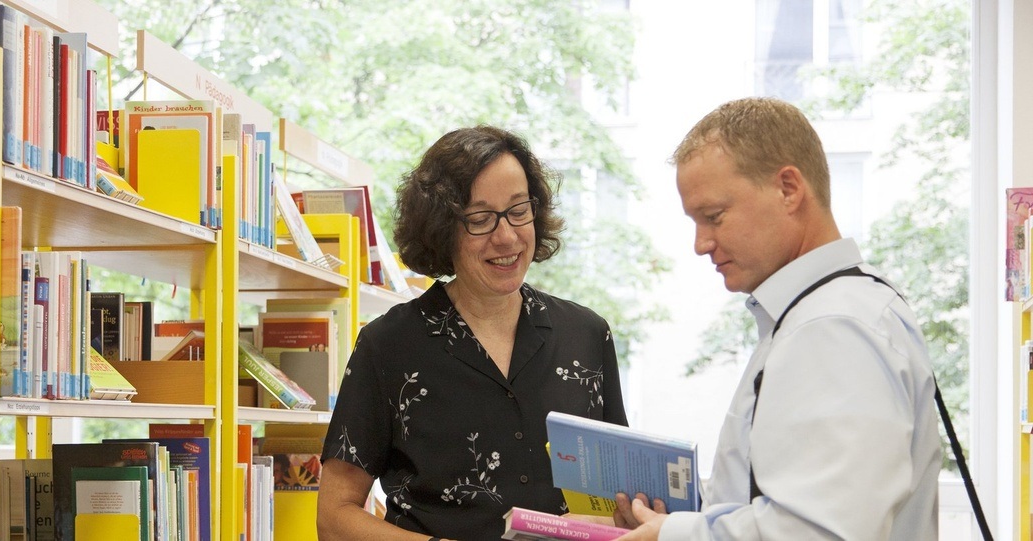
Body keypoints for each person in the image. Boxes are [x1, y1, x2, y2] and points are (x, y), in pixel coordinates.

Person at [611, 97, 941, 540]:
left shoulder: (833, 327)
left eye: (714, 217)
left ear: (788, 188)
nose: (701, 244)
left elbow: (821, 532)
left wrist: (672, 536)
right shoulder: (823, 313)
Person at [317, 125, 629, 540]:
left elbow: (617, 496)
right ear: (442, 229)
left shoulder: (587, 335)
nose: (507, 236)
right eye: (481, 219)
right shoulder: (388, 346)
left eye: (519, 210)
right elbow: (334, 515)